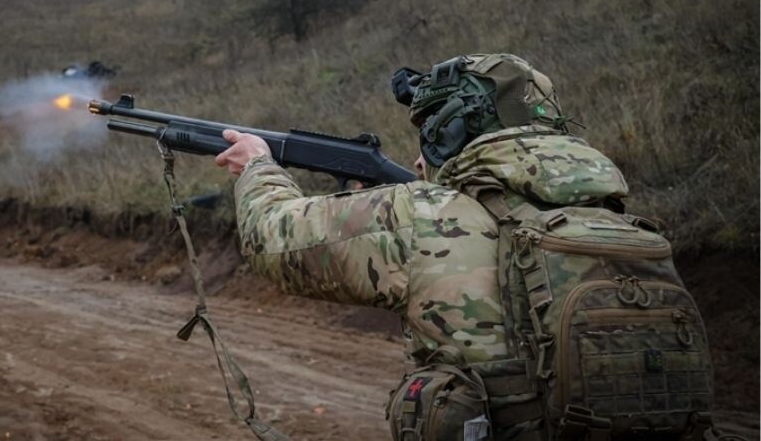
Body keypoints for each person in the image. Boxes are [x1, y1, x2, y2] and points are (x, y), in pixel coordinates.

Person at [214, 54, 715, 441]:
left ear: (449, 132)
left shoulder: (421, 215)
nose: (418, 160)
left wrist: (258, 165)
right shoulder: (629, 227)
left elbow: (273, 238)